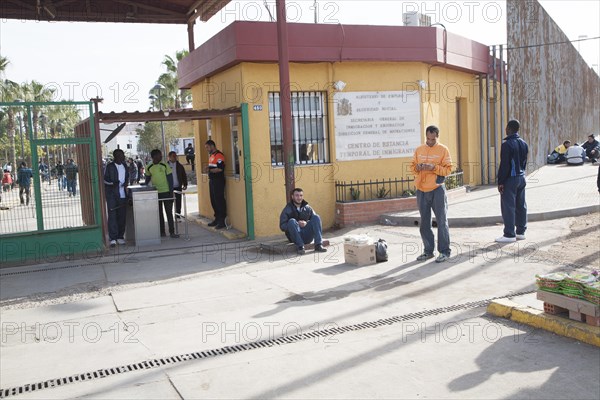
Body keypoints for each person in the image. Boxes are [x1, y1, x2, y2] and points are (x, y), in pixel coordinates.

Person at [411, 125, 453, 262]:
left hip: (437, 189)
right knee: (424, 222)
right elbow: (412, 167)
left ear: (437, 137)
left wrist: (433, 168)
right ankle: (428, 251)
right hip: (421, 190)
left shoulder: (443, 150)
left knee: (441, 221)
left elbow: (448, 170)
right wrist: (417, 168)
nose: (430, 141)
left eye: (433, 139)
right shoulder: (419, 150)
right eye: (428, 139)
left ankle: (444, 252)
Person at [496, 119, 529, 243]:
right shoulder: (523, 143)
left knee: (508, 206)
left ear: (509, 129)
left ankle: (509, 234)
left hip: (510, 179)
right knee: (521, 205)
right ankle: (521, 232)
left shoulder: (507, 144)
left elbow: (504, 165)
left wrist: (501, 182)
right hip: (521, 177)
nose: (505, 129)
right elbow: (524, 162)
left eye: (506, 128)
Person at [279, 188, 328, 255]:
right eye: (297, 195)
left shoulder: (307, 208)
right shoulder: (287, 209)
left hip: (307, 236)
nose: (299, 197)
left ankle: (318, 245)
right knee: (292, 221)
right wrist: (296, 224)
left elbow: (315, 221)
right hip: (295, 237)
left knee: (317, 217)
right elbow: (282, 226)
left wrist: (306, 223)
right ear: (292, 196)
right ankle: (300, 247)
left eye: (301, 195)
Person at [145, 149, 179, 239]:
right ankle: (162, 232)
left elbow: (170, 179)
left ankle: (172, 232)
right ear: (154, 157)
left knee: (169, 213)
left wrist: (171, 193)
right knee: (159, 213)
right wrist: (145, 188)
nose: (161, 157)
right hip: (155, 193)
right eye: (159, 155)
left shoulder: (164, 165)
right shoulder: (148, 166)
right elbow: (147, 178)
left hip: (166, 192)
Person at [104, 149, 129, 247]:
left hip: (122, 195)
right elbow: (105, 180)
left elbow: (126, 177)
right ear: (116, 156)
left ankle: (120, 237)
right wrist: (113, 184)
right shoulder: (109, 166)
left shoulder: (124, 166)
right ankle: (113, 238)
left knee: (122, 217)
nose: (123, 156)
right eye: (121, 155)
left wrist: (126, 183)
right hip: (112, 195)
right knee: (113, 216)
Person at [204, 140, 227, 229]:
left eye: (207, 147)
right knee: (213, 200)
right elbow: (213, 167)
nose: (206, 149)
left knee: (219, 200)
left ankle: (222, 221)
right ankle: (217, 219)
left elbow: (220, 169)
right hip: (212, 180)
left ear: (212, 146)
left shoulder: (219, 155)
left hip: (218, 180)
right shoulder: (212, 156)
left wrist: (209, 170)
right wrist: (208, 168)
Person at [167, 151, 188, 220]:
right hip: (169, 188)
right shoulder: (166, 166)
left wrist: (185, 184)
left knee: (178, 202)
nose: (175, 157)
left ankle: (177, 216)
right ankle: (170, 218)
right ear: (169, 157)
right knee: (169, 203)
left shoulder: (180, 166)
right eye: (173, 156)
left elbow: (183, 175)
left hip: (178, 187)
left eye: (176, 156)